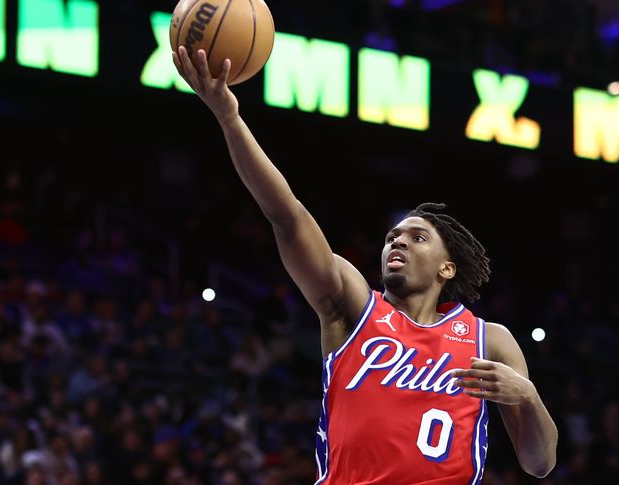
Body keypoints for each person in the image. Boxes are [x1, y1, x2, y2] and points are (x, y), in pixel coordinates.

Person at [173, 47, 558, 484]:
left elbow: (540, 463)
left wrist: (527, 398)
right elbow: (286, 215)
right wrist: (230, 120)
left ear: (447, 268)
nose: (398, 241)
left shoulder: (491, 341)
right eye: (393, 236)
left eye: (417, 237)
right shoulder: (353, 307)